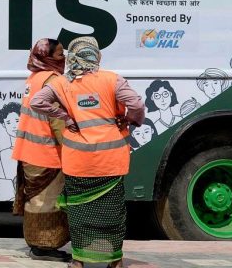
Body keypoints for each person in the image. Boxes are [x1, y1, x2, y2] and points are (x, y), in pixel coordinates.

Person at [31, 36, 146, 268]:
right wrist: (129, 120)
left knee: (79, 212)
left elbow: (37, 102)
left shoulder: (62, 83)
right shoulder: (112, 79)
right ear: (96, 55)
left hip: (78, 162)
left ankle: (79, 261)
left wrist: (65, 117)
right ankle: (115, 261)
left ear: (73, 56)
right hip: (111, 161)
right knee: (111, 211)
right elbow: (136, 105)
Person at [10, 38, 71, 262]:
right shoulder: (53, 80)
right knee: (47, 202)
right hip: (47, 154)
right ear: (46, 57)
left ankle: (36, 244)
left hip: (28, 152)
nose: (64, 59)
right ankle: (44, 246)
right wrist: (71, 148)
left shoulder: (34, 77)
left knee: (35, 201)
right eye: (60, 55)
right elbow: (57, 121)